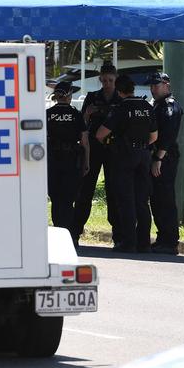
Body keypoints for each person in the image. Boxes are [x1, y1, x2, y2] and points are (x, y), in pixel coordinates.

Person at [96, 74, 157, 253]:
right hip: (144, 154)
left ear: (119, 91)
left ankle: (129, 242)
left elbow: (100, 134)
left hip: (124, 156)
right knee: (142, 200)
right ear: (133, 89)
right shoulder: (146, 106)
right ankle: (144, 242)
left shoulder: (120, 108)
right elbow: (154, 136)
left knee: (125, 200)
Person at [73, 62, 121, 244]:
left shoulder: (120, 99)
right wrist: (87, 114)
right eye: (105, 80)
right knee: (85, 190)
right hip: (93, 148)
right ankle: (75, 231)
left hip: (113, 149)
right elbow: (81, 123)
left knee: (114, 191)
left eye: (111, 80)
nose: (107, 83)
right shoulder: (92, 97)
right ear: (100, 79)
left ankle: (119, 234)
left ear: (116, 80)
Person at [45, 80, 89, 237]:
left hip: (52, 161)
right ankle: (70, 235)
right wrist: (87, 162)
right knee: (68, 199)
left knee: (56, 199)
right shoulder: (76, 115)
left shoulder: (47, 115)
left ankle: (58, 233)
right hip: (72, 161)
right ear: (69, 96)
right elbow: (84, 141)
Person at [147, 71, 183, 255]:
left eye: (157, 85)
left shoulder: (169, 106)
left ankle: (169, 241)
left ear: (166, 84)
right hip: (159, 157)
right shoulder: (158, 105)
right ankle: (163, 238)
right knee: (157, 199)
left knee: (164, 198)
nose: (153, 88)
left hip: (165, 158)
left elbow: (168, 136)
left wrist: (158, 159)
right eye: (151, 85)